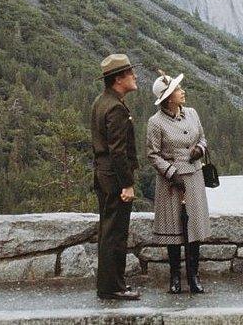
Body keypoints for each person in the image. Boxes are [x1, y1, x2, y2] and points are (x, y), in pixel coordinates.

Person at [146, 70, 210, 294]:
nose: (183, 92)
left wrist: (199, 150)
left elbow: (202, 137)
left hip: (194, 176)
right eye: (178, 90)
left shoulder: (192, 113)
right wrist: (171, 173)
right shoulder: (155, 123)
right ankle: (175, 277)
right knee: (174, 229)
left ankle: (194, 275)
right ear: (169, 97)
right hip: (171, 182)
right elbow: (153, 154)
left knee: (192, 229)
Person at [90, 53, 141, 300]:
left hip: (104, 176)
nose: (135, 76)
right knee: (115, 234)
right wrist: (127, 184)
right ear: (118, 78)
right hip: (115, 181)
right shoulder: (115, 108)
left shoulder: (101, 101)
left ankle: (110, 285)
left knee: (108, 231)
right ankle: (113, 288)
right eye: (131, 73)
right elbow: (118, 151)